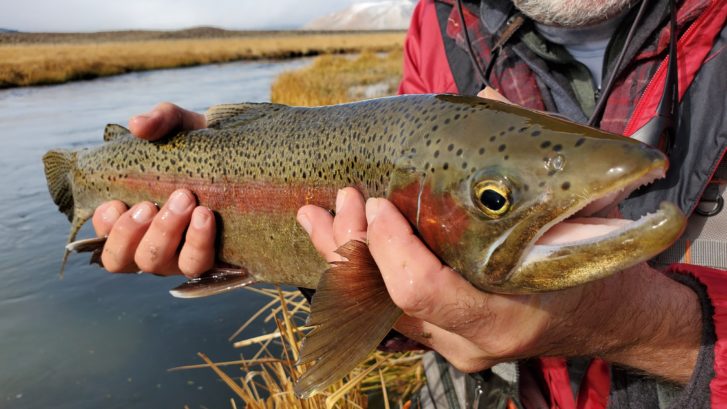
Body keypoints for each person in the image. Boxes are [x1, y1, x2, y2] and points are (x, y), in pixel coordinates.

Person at [92, 0, 727, 407]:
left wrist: (649, 325)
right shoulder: (443, 23)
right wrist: (236, 174)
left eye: (493, 199)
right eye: (495, 199)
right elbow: (383, 252)